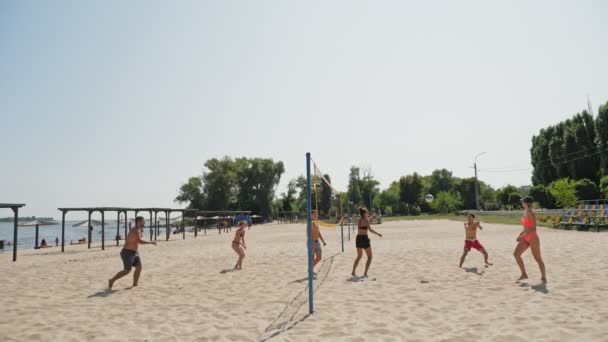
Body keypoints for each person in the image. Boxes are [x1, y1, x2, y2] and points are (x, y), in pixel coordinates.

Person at [108, 216, 157, 290]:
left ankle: (135, 285)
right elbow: (139, 241)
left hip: (134, 252)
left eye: (144, 221)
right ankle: (112, 280)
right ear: (138, 222)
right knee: (127, 271)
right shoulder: (135, 230)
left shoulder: (139, 230)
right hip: (127, 252)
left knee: (139, 268)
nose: (144, 223)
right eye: (142, 221)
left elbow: (136, 240)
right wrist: (151, 242)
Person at [514, 196, 547, 282]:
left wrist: (522, 236)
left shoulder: (531, 214)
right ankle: (524, 274)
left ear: (526, 203)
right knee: (516, 254)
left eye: (523, 202)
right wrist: (520, 235)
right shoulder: (525, 212)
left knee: (537, 258)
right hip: (526, 236)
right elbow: (526, 227)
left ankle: (543, 277)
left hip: (532, 237)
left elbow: (533, 229)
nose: (522, 203)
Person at [351, 207, 382, 278]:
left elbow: (353, 219)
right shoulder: (366, 220)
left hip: (358, 238)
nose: (368, 213)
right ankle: (365, 273)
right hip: (364, 239)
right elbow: (370, 230)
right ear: (364, 213)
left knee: (359, 256)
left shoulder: (359, 220)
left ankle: (353, 272)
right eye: (367, 212)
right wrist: (378, 234)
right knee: (370, 257)